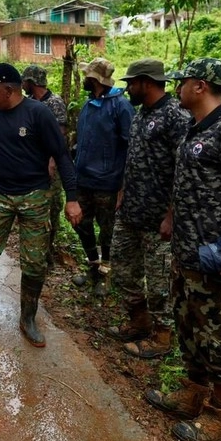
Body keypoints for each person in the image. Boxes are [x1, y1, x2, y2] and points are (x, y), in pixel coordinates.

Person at [144, 58, 221, 441]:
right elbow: (187, 181)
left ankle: (220, 416)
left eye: (184, 82)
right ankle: (193, 393)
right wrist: (171, 218)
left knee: (217, 335)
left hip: (215, 255)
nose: (178, 87)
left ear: (201, 86)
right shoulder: (193, 128)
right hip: (185, 251)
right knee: (188, 325)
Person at [0, 63, 82, 347]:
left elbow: (61, 156)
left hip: (34, 196)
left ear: (8, 89)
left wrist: (72, 198)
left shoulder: (39, 114)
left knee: (35, 264)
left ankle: (28, 316)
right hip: (0, 195)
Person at [106, 59, 189, 359]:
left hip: (158, 219)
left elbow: (183, 170)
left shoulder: (176, 116)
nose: (128, 88)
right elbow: (135, 158)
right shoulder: (141, 114)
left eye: (132, 82)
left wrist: (171, 214)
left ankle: (162, 337)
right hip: (131, 211)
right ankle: (138, 321)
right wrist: (122, 192)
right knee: (122, 268)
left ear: (147, 82)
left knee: (158, 281)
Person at [72, 57, 134, 296]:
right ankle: (93, 266)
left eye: (87, 76)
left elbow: (130, 147)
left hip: (108, 182)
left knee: (107, 229)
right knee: (81, 224)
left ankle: (106, 274)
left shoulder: (121, 106)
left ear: (94, 79)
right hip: (83, 180)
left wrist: (122, 186)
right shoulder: (89, 105)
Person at [22, 65, 67, 266]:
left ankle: (48, 251)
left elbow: (60, 136)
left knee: (52, 207)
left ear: (31, 82)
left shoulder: (54, 103)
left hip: (50, 165)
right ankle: (34, 250)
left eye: (25, 81)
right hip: (32, 165)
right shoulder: (29, 103)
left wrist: (51, 161)